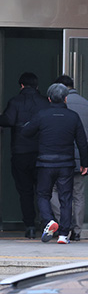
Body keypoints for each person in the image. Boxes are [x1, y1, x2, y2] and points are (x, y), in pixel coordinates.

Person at [22, 83, 88, 244]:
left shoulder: (42, 115)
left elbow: (26, 132)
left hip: (45, 163)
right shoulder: (73, 117)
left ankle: (49, 220)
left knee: (43, 195)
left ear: (49, 98)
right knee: (66, 198)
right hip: (66, 164)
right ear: (65, 99)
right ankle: (63, 235)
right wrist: (85, 163)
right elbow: (82, 142)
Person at [0, 72, 49, 239]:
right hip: (41, 153)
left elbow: (7, 120)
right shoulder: (45, 102)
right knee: (43, 191)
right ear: (37, 86)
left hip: (20, 153)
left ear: (21, 85)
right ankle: (46, 224)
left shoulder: (15, 101)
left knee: (25, 191)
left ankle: (29, 226)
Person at [49, 75, 88, 242]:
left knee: (53, 191)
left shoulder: (55, 105)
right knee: (78, 194)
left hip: (60, 156)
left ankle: (64, 224)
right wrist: (85, 162)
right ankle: (77, 231)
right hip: (80, 158)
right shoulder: (87, 105)